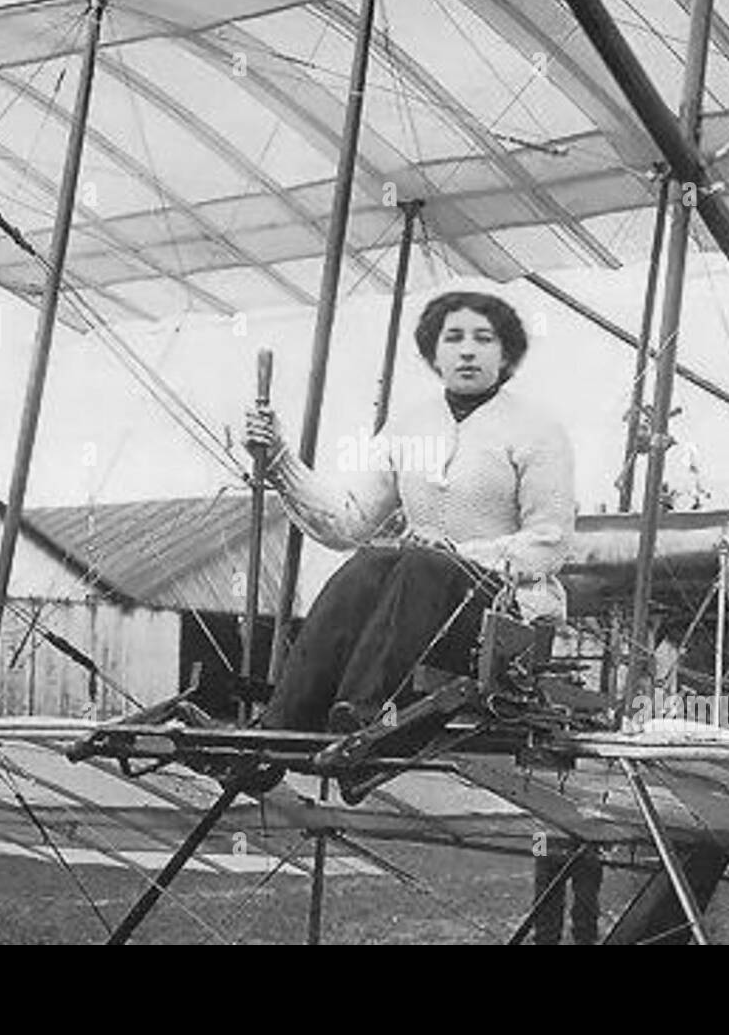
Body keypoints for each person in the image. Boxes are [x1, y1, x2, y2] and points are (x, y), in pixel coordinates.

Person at [239, 290, 576, 795]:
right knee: (371, 561)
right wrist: (280, 460)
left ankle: (369, 721)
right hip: (423, 611)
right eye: (453, 338)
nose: (467, 351)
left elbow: (550, 543)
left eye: (484, 340)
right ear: (433, 354)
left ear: (506, 356)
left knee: (421, 564)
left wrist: (457, 555)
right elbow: (348, 522)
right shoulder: (409, 427)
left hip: (501, 619)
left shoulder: (538, 431)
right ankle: (278, 730)